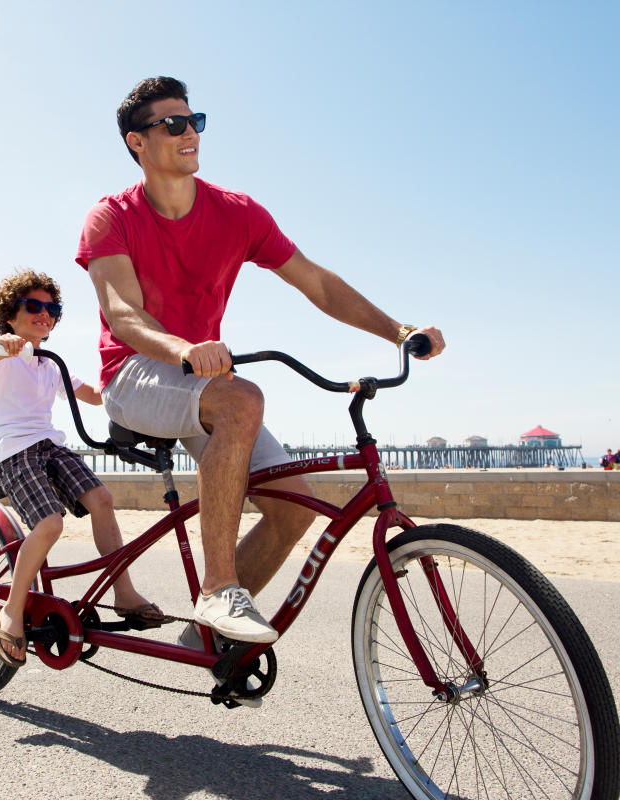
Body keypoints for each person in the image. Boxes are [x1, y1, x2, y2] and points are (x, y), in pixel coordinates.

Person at [76, 76, 446, 646]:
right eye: (172, 124)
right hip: (135, 374)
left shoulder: (238, 213)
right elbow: (122, 313)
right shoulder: (112, 215)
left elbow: (317, 282)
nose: (189, 132)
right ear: (137, 142)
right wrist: (183, 349)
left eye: (194, 121)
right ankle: (218, 590)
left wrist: (398, 331)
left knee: (295, 507)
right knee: (241, 396)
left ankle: (205, 641)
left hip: (204, 382)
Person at [0, 269, 161, 667]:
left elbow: (90, 394)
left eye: (51, 308)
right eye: (33, 306)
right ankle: (9, 612)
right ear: (10, 314)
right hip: (12, 451)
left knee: (102, 499)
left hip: (49, 446)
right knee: (49, 524)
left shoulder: (49, 363)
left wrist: (134, 387)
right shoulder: (1, 355)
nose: (44, 314)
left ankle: (124, 592)